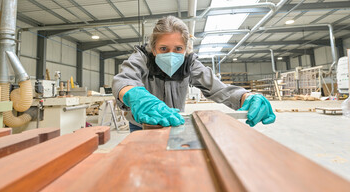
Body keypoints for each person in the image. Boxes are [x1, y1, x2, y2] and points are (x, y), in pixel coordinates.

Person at [112, 16, 275, 132]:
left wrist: (247, 97)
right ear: (153, 49)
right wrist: (137, 97)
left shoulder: (190, 64)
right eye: (163, 49)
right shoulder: (141, 58)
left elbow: (219, 89)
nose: (171, 54)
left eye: (178, 49)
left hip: (175, 121)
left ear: (186, 49)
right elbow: (124, 80)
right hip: (143, 123)